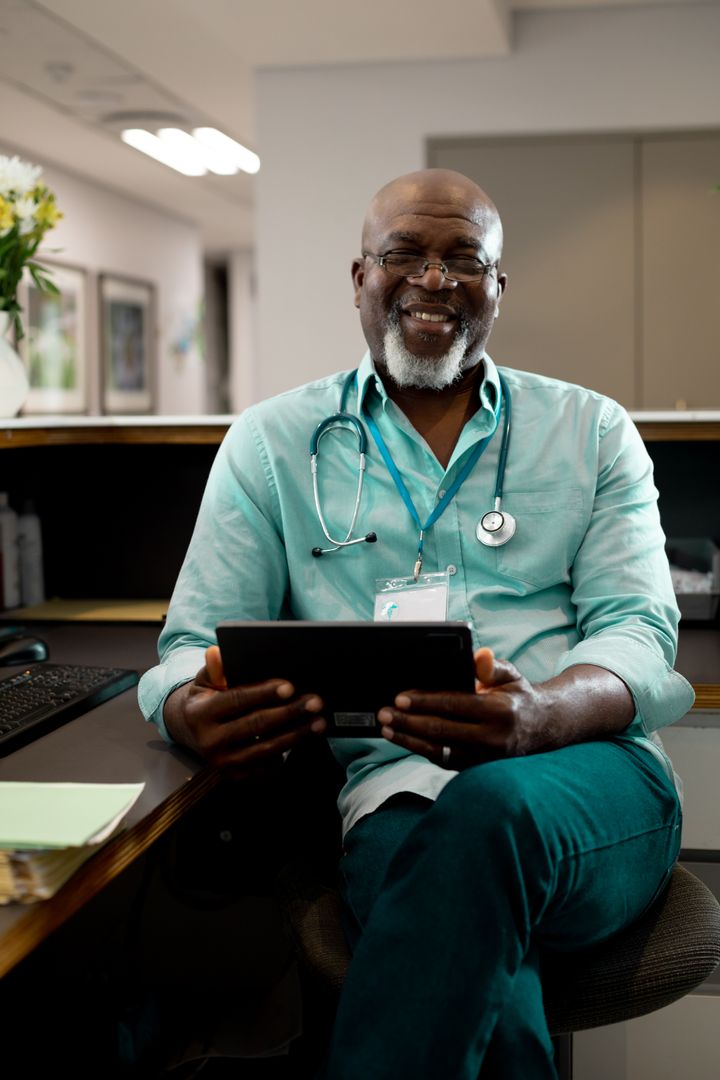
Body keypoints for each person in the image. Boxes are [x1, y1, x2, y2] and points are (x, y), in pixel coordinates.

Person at [138, 168, 694, 1079]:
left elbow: (639, 632)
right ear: (359, 275)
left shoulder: (592, 430)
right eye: (404, 254)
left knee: (487, 814)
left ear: (498, 289)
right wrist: (184, 710)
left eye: (464, 260)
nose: (433, 280)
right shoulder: (272, 444)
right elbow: (185, 649)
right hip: (395, 800)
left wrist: (540, 716)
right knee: (480, 951)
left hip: (590, 781)